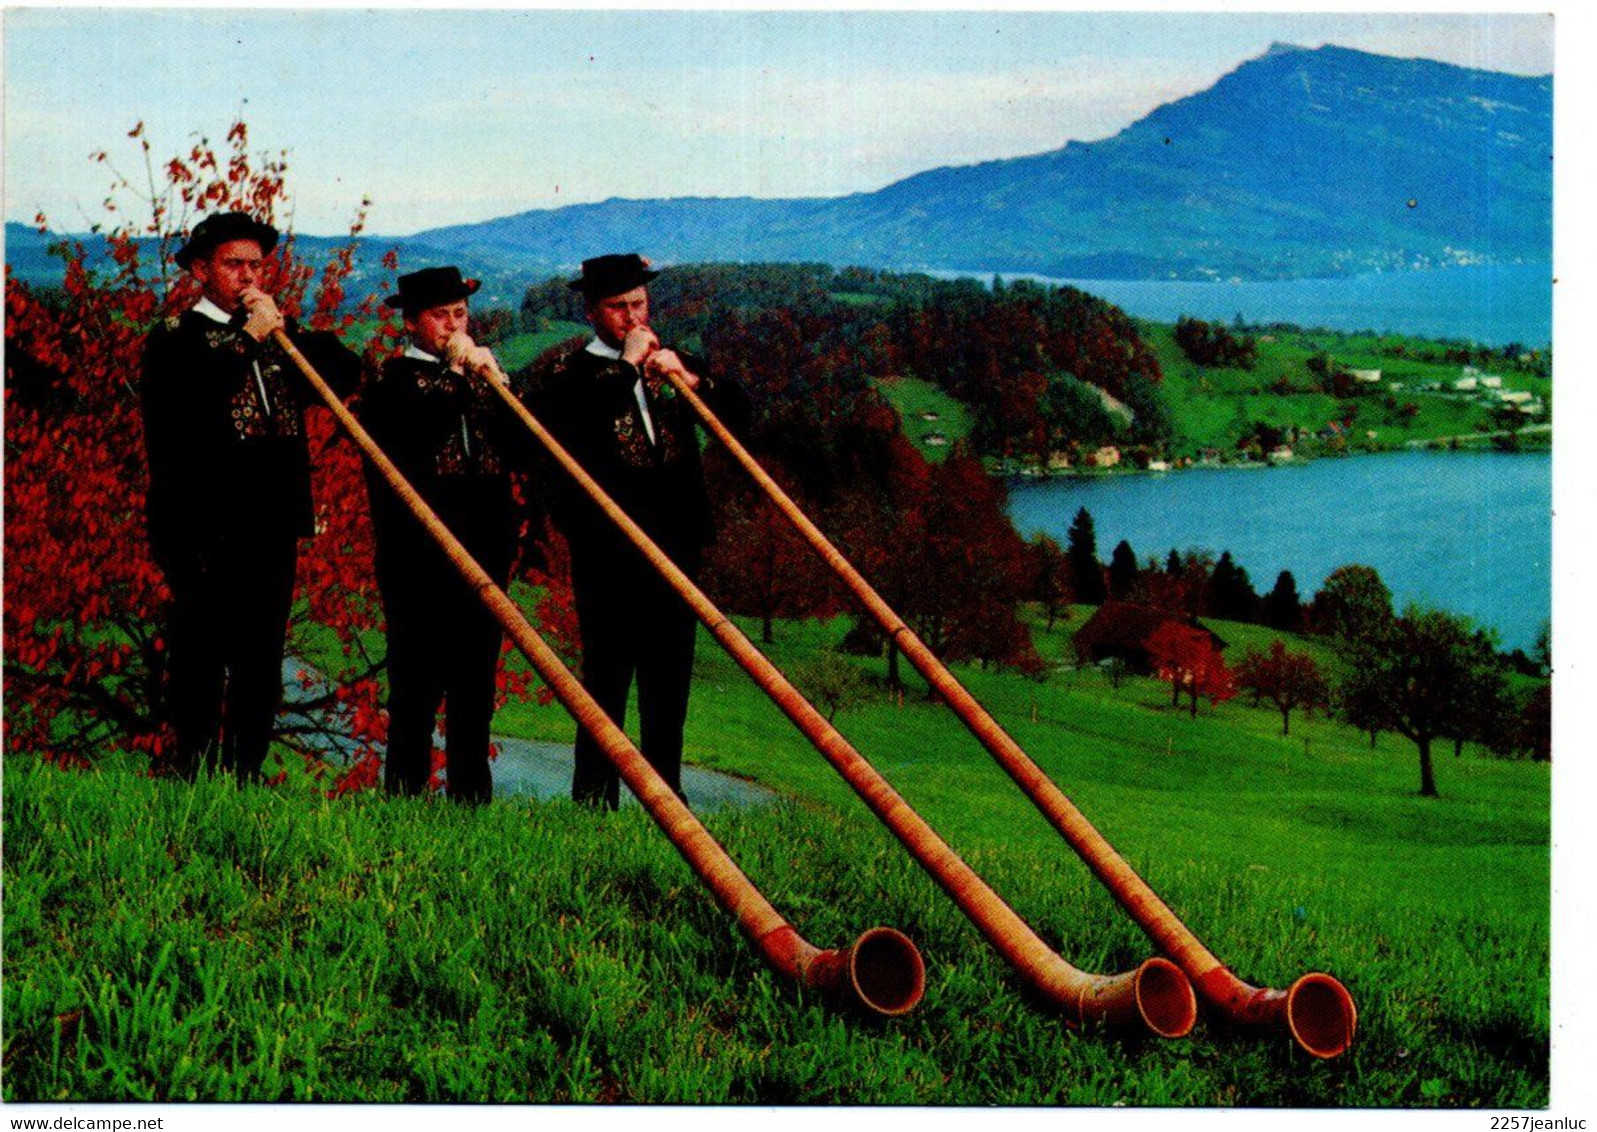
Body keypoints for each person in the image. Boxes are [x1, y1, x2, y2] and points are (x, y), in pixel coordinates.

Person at [141, 210, 362, 781]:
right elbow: (195, 403)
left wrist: (286, 331)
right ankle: (190, 768)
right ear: (200, 269)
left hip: (272, 522)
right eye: (233, 264)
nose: (247, 276)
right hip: (202, 524)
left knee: (261, 657)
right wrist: (249, 337)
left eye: (256, 266)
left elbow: (346, 372)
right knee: (200, 652)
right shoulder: (173, 340)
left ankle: (245, 772)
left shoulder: (272, 338)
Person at [527, 253, 749, 809]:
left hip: (676, 546)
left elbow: (742, 414)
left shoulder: (670, 359)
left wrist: (690, 378)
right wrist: (625, 367)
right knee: (606, 682)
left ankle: (667, 805)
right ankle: (594, 804)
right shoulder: (567, 373)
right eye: (618, 306)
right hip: (607, 553)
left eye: (639, 305)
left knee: (668, 683)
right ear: (592, 310)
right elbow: (565, 426)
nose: (632, 317)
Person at [359, 267, 516, 804]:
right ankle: (404, 800)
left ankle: (471, 804)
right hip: (418, 563)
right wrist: (456, 374)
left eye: (460, 315)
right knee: (416, 693)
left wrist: (500, 386)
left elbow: (522, 449)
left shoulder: (479, 379)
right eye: (440, 316)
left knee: (475, 691)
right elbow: (413, 432)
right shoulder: (391, 383)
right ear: (410, 323)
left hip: (485, 555)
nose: (454, 326)